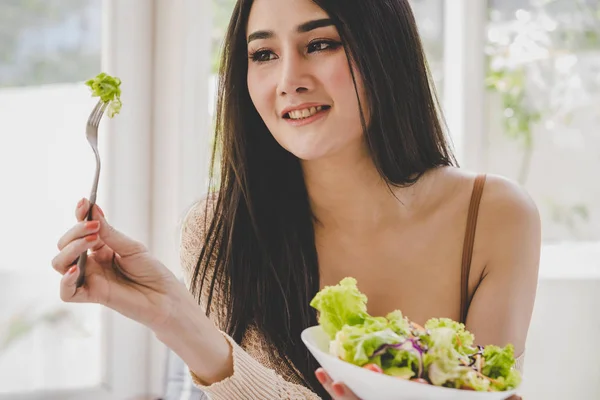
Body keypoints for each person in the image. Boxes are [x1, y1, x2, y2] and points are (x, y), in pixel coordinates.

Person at [51, 0, 540, 398]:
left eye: (321, 44)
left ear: (384, 52)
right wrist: (169, 315)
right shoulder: (217, 231)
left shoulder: (494, 216)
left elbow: (482, 389)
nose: (288, 80)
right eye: (263, 54)